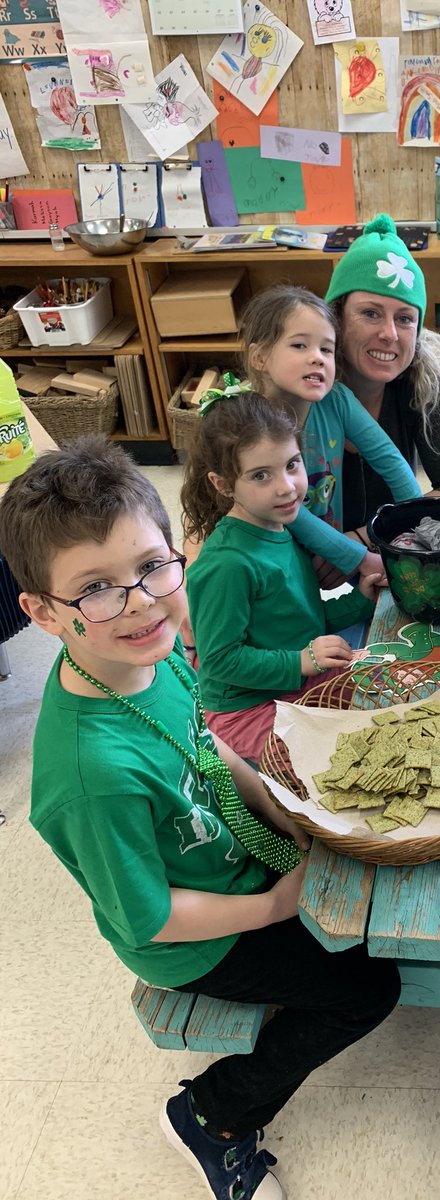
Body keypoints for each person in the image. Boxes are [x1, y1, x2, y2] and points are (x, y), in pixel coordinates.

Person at [0, 438, 400, 1200]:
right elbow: (147, 916)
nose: (142, 600)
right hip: (191, 939)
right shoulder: (93, 775)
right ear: (42, 613)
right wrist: (275, 904)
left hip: (234, 863)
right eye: (96, 588)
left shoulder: (148, 655)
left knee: (368, 881)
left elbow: (209, 744)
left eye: (151, 566)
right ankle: (211, 1115)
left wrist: (283, 813)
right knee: (367, 989)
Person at [181, 393, 383, 764]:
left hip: (297, 674)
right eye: (261, 475)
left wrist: (359, 601)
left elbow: (301, 616)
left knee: (381, 715)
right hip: (244, 706)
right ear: (223, 484)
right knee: (328, 764)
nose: (287, 487)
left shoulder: (282, 527)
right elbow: (220, 661)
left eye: (292, 465)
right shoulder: (226, 565)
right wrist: (301, 662)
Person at [239, 282, 422, 584]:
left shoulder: (337, 399)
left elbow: (390, 460)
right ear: (259, 358)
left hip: (325, 543)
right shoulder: (251, 424)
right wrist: (359, 556)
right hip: (269, 562)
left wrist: (421, 522)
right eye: (300, 345)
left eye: (326, 348)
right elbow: (289, 506)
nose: (317, 358)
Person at [324, 212, 440, 539]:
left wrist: (366, 536)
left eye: (404, 319)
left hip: (386, 549)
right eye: (370, 313)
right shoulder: (306, 385)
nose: (390, 334)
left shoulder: (424, 380)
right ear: (336, 316)